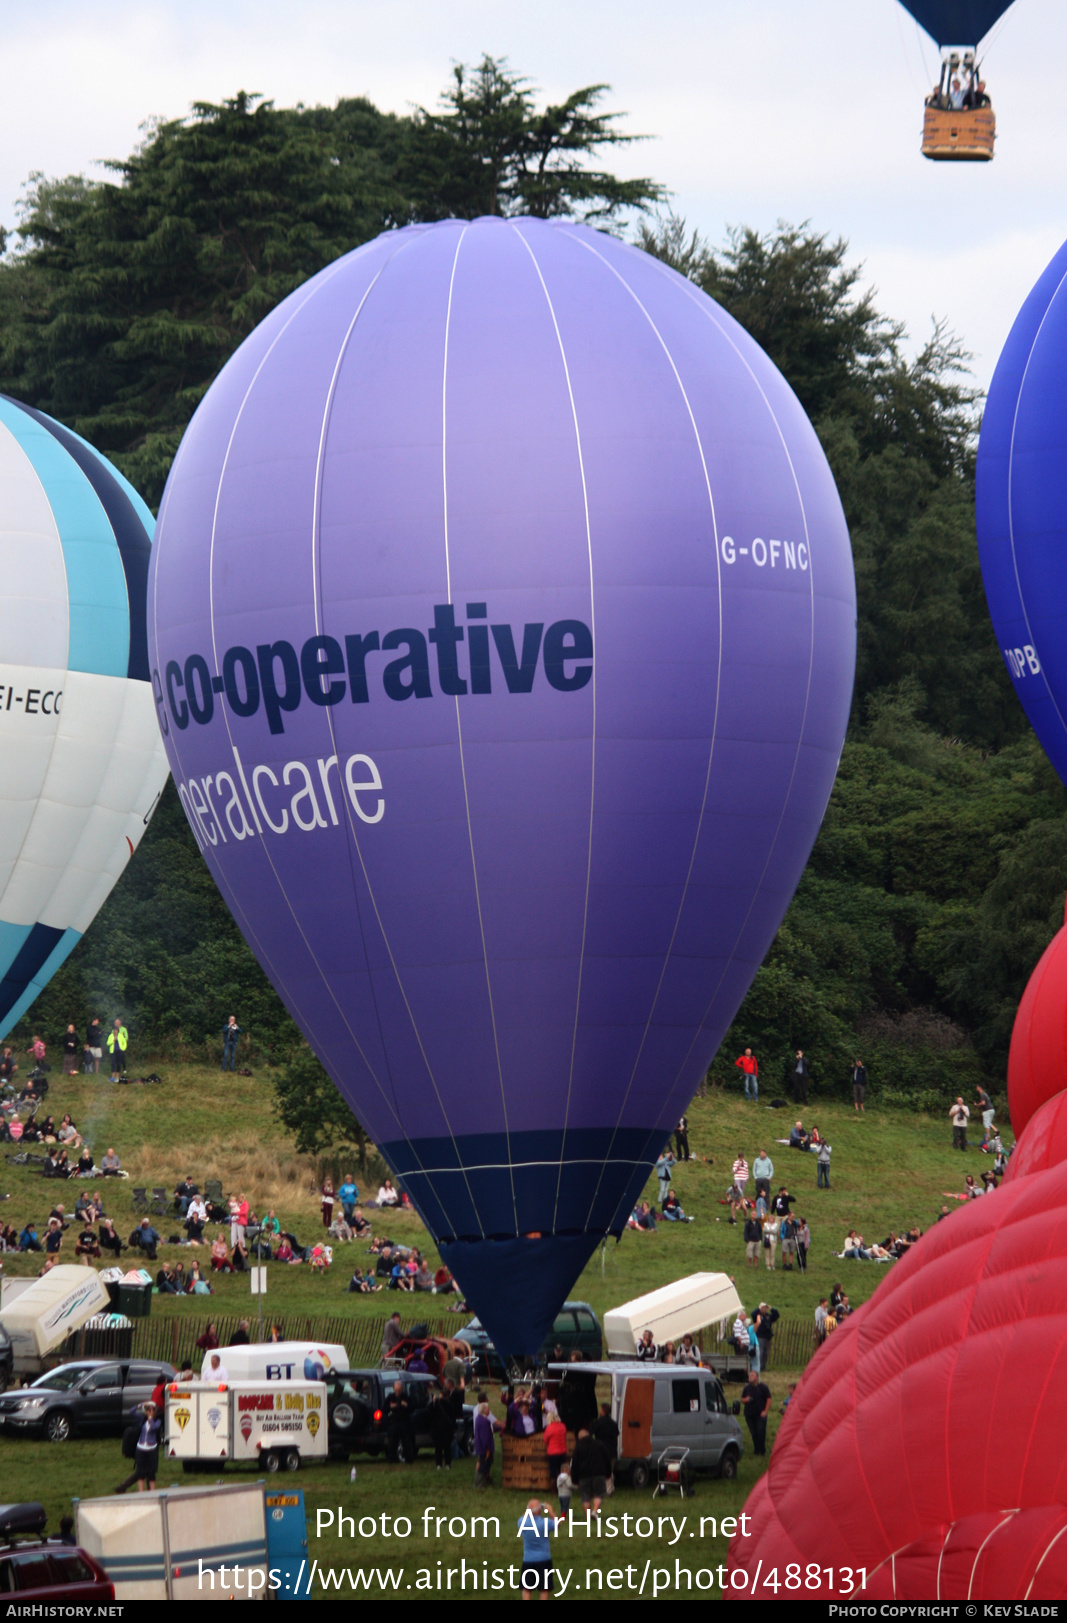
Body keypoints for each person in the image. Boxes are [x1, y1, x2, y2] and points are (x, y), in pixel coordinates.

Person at [517, 1498, 565, 1599]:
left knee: (527, 1588)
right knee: (544, 1588)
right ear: (540, 1510)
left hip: (528, 1560)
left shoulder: (522, 1523)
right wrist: (550, 1510)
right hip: (544, 1559)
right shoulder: (545, 1523)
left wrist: (529, 1509)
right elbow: (558, 1523)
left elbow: (523, 1516)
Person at [571, 1426, 611, 1514]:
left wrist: (574, 1479)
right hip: (599, 1474)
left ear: (579, 1438)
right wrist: (608, 1473)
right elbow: (607, 1460)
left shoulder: (578, 1448)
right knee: (599, 1493)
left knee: (585, 1497)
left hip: (583, 1476)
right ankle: (595, 1511)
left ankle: (588, 1516)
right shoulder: (600, 1444)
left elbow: (574, 1464)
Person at [473, 1397, 500, 1487]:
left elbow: (491, 1429)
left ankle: (481, 1482)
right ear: (484, 1410)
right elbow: (485, 1437)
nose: (489, 1410)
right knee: (484, 1465)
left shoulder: (479, 1419)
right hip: (484, 1449)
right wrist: (487, 1448)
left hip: (481, 1447)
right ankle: (479, 1483)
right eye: (488, 1409)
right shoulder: (484, 1422)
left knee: (484, 1464)